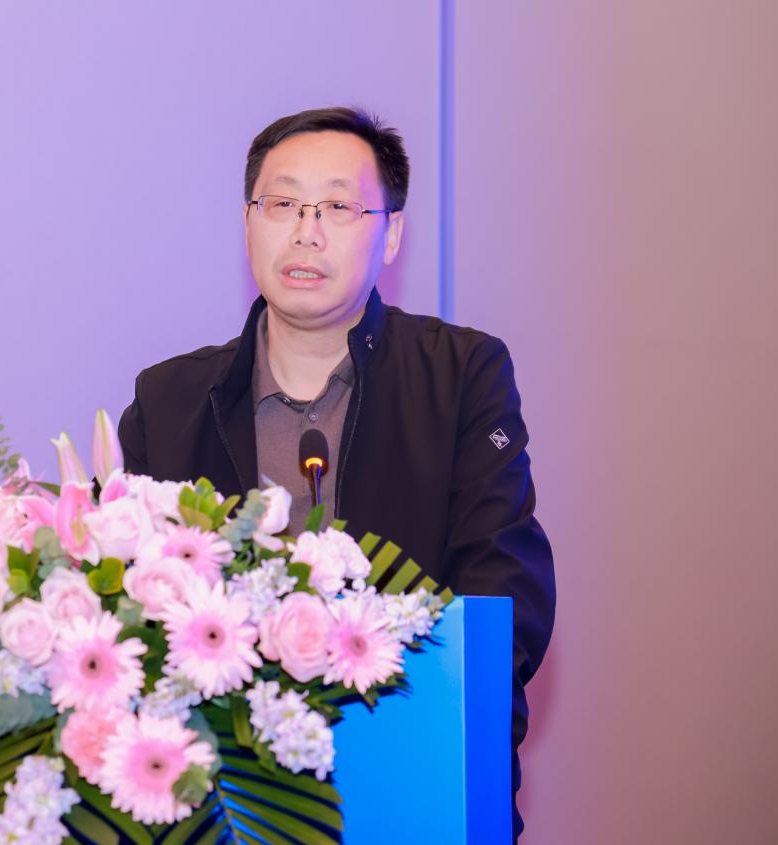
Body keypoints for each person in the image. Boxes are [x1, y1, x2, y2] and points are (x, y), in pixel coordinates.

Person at [116, 106, 556, 839]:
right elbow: (137, 615)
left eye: (338, 208)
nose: (306, 231)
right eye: (282, 204)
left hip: (410, 779)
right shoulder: (168, 399)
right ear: (248, 223)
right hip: (218, 804)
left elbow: (504, 592)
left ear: (391, 235)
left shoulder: (460, 376)